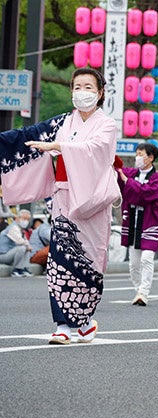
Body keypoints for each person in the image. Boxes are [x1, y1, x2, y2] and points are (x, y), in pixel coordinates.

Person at [0, 67, 119, 343]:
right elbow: (29, 135)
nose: (82, 92)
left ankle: (86, 320)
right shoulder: (64, 123)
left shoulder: (107, 125)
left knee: (89, 259)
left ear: (100, 93)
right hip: (65, 197)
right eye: (77, 86)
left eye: (88, 87)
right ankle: (62, 325)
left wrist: (59, 146)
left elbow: (97, 150)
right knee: (59, 260)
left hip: (93, 201)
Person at [117, 142, 158, 306]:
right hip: (133, 221)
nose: (137, 157)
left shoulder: (157, 178)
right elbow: (116, 172)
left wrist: (127, 182)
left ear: (151, 158)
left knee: (146, 259)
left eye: (141, 154)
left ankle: (144, 292)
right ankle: (139, 290)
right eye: (136, 154)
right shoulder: (131, 173)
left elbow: (146, 194)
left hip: (150, 222)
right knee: (133, 264)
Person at [0, 209, 32, 276]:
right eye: (24, 218)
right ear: (17, 218)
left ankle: (23, 268)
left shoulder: (20, 228)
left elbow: (25, 241)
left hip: (9, 254)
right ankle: (16, 270)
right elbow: (19, 241)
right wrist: (28, 246)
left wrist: (28, 246)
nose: (26, 221)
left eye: (28, 219)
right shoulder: (13, 227)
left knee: (26, 248)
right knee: (22, 248)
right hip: (2, 255)